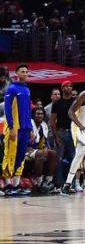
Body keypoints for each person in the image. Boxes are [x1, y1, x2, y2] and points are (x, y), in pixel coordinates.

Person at [2, 64, 33, 196]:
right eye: (22, 71)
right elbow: (8, 111)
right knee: (10, 155)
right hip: (14, 128)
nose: (25, 74)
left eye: (26, 72)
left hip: (25, 128)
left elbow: (27, 111)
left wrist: (31, 128)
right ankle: (7, 184)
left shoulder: (27, 90)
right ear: (16, 74)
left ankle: (16, 184)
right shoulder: (11, 90)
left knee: (21, 156)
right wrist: (12, 127)